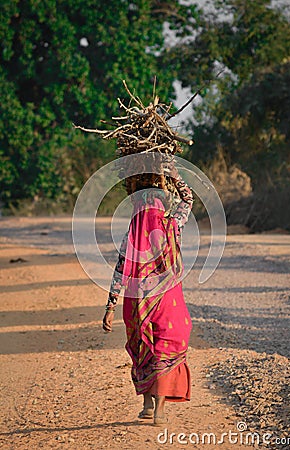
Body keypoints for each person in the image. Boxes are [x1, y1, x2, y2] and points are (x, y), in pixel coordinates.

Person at [103, 163, 193, 426]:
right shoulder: (171, 224)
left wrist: (110, 305)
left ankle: (146, 402)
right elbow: (188, 199)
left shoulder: (131, 234)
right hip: (166, 297)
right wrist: (175, 177)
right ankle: (159, 410)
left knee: (143, 345)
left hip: (136, 299)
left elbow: (120, 269)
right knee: (167, 341)